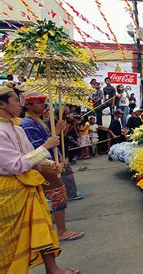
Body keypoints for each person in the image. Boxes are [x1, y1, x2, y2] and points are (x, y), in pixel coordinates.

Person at [0, 85, 80, 274]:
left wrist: (50, 165)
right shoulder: (7, 129)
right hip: (10, 190)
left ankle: (52, 269)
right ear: (2, 104)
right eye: (15, 100)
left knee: (42, 228)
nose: (19, 105)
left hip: (28, 185)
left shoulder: (17, 128)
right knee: (10, 241)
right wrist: (46, 146)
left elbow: (31, 155)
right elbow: (15, 165)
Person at [19, 91, 84, 241]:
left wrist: (61, 130)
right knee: (58, 193)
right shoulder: (27, 124)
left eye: (43, 102)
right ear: (28, 106)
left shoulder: (39, 120)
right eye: (39, 103)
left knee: (57, 194)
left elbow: (54, 140)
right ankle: (61, 230)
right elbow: (37, 149)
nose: (43, 105)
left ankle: (55, 228)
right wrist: (57, 133)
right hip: (41, 165)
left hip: (49, 163)